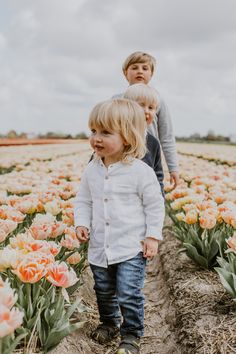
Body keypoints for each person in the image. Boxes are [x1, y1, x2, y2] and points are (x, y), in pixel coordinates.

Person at [74, 98, 165, 354]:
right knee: (103, 290)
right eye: (93, 131)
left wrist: (152, 236)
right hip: (100, 246)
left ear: (127, 137)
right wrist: (81, 222)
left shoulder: (140, 172)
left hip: (130, 247)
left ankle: (132, 334)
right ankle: (109, 323)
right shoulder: (91, 169)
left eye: (105, 132)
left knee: (128, 293)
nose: (96, 138)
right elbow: (83, 200)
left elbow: (154, 206)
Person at [114, 51, 179, 189]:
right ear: (125, 72)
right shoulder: (116, 100)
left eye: (145, 68)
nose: (140, 71)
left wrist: (173, 168)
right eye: (134, 67)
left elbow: (166, 136)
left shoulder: (157, 100)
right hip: (120, 152)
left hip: (149, 152)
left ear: (151, 74)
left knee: (151, 187)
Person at [123, 83, 164, 195]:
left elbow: (158, 175)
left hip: (144, 201)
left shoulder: (153, 143)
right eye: (141, 105)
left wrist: (160, 200)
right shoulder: (116, 138)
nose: (146, 111)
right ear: (126, 108)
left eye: (151, 108)